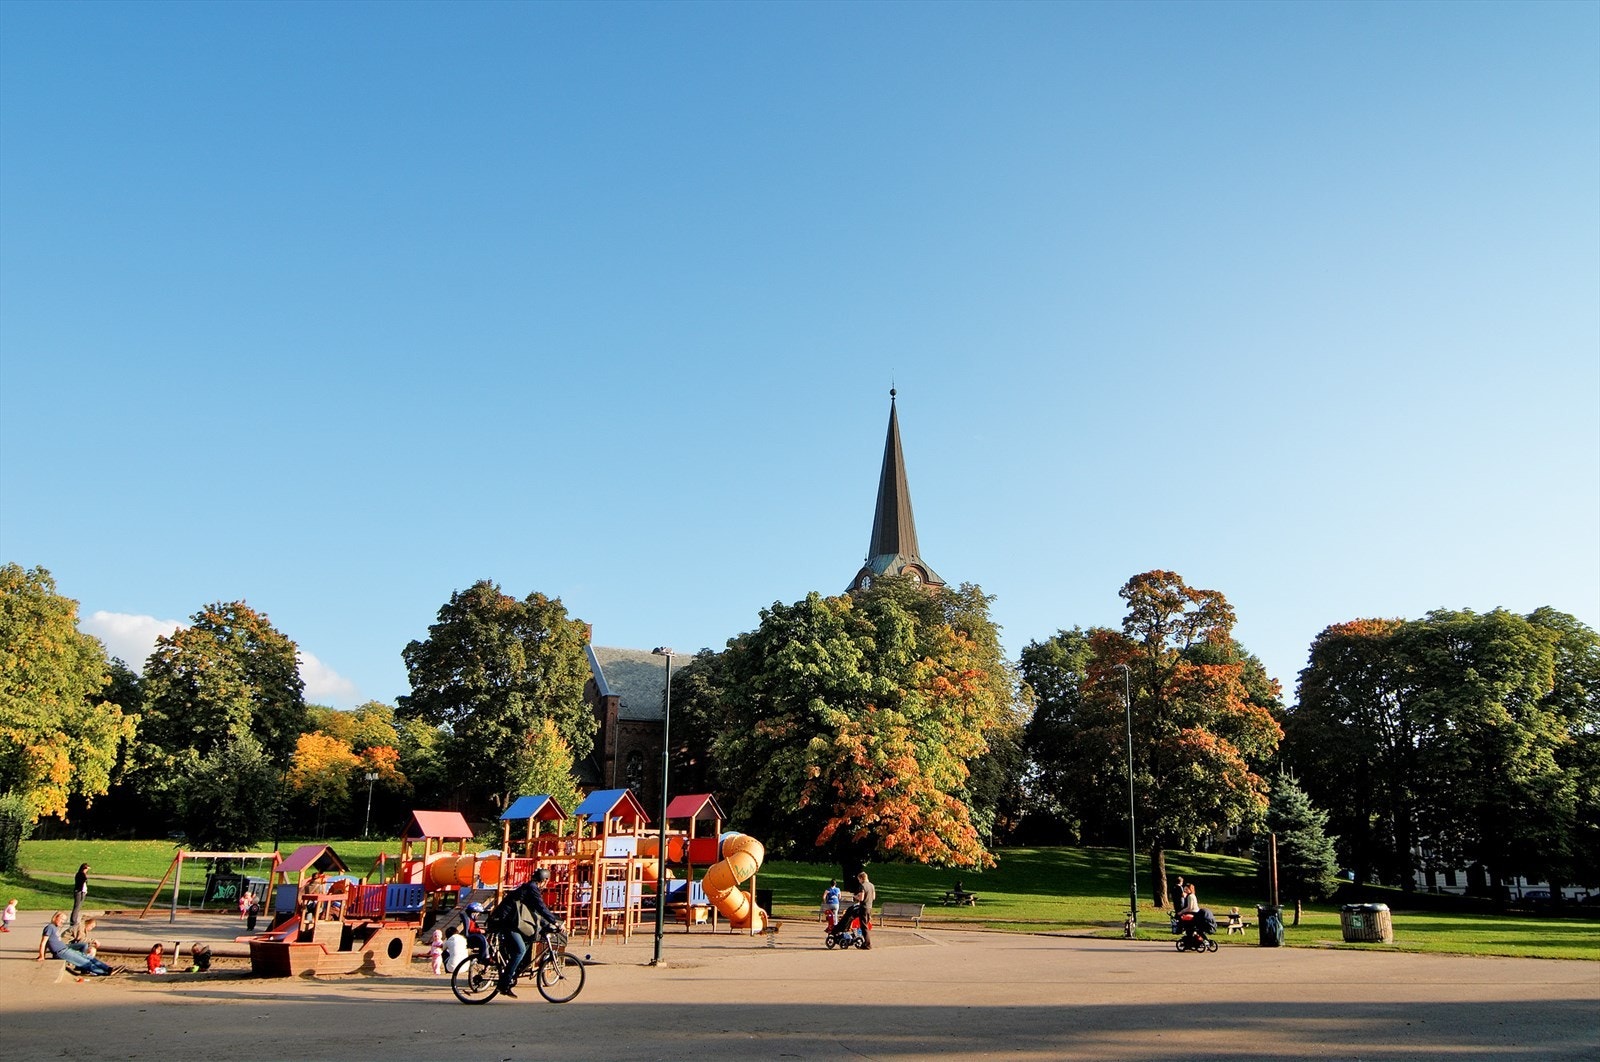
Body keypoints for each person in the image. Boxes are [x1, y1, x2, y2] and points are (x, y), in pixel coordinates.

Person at [487, 868, 561, 998]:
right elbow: (540, 907)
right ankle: (503, 984)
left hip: (513, 922)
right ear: (544, 880)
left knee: (527, 942)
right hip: (505, 922)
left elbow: (534, 913)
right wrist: (554, 921)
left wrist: (546, 924)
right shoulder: (532, 889)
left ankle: (512, 972)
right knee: (520, 951)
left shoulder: (529, 888)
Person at [37, 911, 115, 976]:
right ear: (55, 917)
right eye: (61, 919)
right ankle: (104, 972)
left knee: (88, 957)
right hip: (61, 952)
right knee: (84, 962)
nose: (63, 922)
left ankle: (107, 968)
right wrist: (41, 956)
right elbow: (44, 942)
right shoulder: (49, 927)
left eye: (64, 920)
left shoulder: (55, 927)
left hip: (65, 949)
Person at [849, 871, 876, 950]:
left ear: (861, 878)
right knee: (866, 925)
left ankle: (867, 944)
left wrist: (855, 896)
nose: (859, 881)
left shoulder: (862, 886)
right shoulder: (872, 885)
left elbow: (861, 898)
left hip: (863, 907)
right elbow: (873, 897)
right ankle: (866, 942)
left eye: (859, 879)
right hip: (870, 907)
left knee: (863, 926)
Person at [70, 863, 90, 928]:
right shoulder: (80, 874)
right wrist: (85, 878)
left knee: (79, 906)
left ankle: (74, 919)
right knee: (77, 906)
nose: (87, 870)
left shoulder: (83, 874)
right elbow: (82, 882)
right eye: (87, 869)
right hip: (79, 891)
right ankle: (73, 920)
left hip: (83, 891)